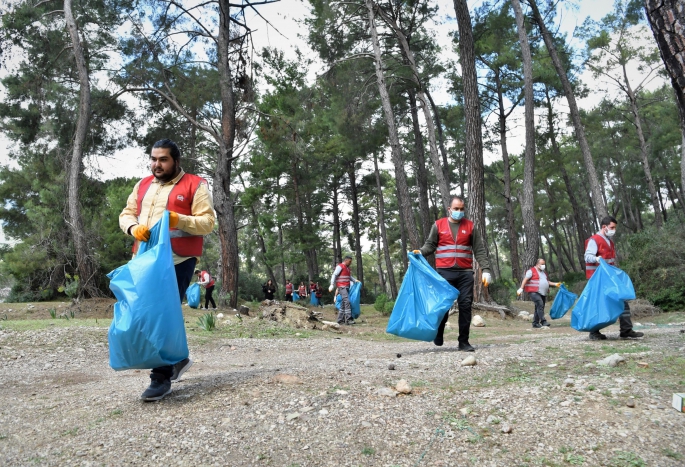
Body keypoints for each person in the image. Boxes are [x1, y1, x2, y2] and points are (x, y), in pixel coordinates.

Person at [119, 139, 215, 401]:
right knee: (143, 313)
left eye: (163, 159)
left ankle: (160, 377)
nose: (156, 164)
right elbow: (126, 213)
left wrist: (178, 218)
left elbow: (207, 223)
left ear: (176, 161)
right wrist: (131, 228)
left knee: (159, 314)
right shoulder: (142, 185)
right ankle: (178, 358)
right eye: (153, 159)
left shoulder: (196, 184)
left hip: (178, 259)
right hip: (144, 260)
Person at [414, 196, 492, 352]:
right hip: (444, 273)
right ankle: (439, 332)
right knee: (443, 306)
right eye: (456, 209)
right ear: (449, 209)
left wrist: (486, 269)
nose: (459, 211)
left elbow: (479, 250)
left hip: (465, 273)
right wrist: (420, 252)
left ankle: (463, 342)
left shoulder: (470, 226)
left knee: (465, 306)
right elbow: (430, 245)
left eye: (462, 209)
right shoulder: (438, 225)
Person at [584, 216, 644, 341]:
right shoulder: (594, 240)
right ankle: (594, 332)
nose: (613, 230)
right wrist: (596, 258)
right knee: (598, 304)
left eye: (614, 228)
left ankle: (626, 330)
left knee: (621, 300)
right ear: (604, 227)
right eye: (612, 227)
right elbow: (587, 256)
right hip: (597, 279)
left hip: (608, 278)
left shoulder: (610, 242)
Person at [517, 258, 561, 328]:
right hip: (534, 292)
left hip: (542, 293)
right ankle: (543, 321)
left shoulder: (543, 273)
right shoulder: (531, 271)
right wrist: (521, 288)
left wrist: (555, 284)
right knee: (540, 304)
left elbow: (547, 282)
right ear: (537, 264)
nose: (544, 266)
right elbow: (525, 279)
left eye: (544, 264)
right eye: (542, 264)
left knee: (539, 307)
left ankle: (535, 323)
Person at [329, 256, 359, 325]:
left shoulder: (347, 268)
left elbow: (349, 277)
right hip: (342, 287)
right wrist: (332, 284)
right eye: (349, 261)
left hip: (347, 287)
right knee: (347, 301)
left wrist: (355, 280)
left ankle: (340, 320)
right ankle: (349, 319)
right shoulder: (340, 266)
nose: (350, 263)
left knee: (343, 304)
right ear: (346, 260)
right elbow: (334, 274)